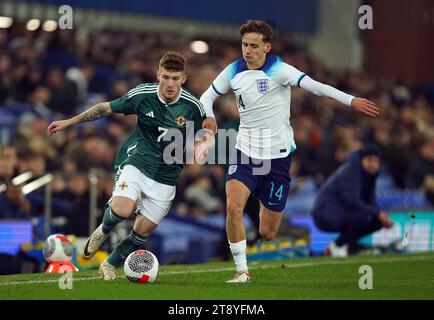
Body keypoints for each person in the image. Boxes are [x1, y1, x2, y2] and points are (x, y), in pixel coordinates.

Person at [200, 20, 380, 283]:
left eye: (253, 45)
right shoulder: (233, 71)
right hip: (245, 152)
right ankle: (242, 271)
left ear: (267, 47)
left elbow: (317, 87)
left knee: (268, 232)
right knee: (233, 207)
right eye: (244, 45)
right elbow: (207, 96)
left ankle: (265, 211)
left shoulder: (280, 70)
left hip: (277, 158)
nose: (247, 50)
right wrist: (209, 116)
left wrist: (350, 100)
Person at [47, 52, 214, 280]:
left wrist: (206, 141)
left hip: (167, 175)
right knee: (123, 209)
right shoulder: (142, 95)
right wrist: (69, 122)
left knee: (141, 232)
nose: (170, 84)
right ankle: (103, 230)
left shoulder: (192, 105)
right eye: (166, 77)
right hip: (137, 160)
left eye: (175, 79)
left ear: (183, 79)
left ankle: (109, 263)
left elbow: (209, 124)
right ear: (158, 75)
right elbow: (104, 108)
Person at [311, 145, 393, 257]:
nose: (373, 164)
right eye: (369, 160)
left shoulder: (370, 175)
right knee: (367, 217)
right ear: (362, 159)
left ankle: (347, 246)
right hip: (324, 213)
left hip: (341, 211)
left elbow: (371, 201)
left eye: (376, 161)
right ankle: (337, 246)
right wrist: (377, 213)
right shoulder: (351, 171)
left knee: (376, 221)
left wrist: (380, 215)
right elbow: (352, 200)